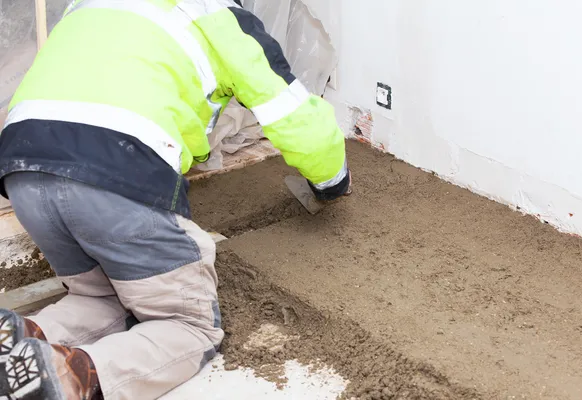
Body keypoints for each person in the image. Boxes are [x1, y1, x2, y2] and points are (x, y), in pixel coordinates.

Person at [0, 0, 351, 399]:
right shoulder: (219, 18)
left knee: (101, 295)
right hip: (115, 165)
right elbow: (296, 117)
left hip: (22, 167)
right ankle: (66, 378)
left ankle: (24, 337)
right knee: (188, 327)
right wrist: (332, 181)